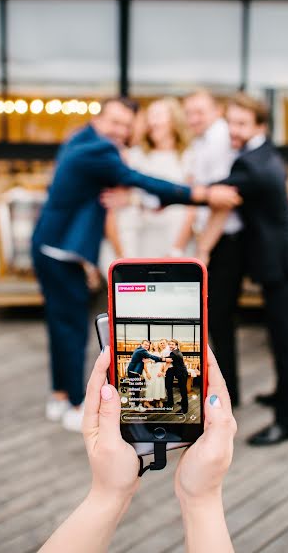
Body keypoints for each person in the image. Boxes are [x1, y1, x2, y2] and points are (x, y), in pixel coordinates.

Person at [32, 97, 235, 432]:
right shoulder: (100, 149)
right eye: (115, 121)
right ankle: (71, 402)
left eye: (127, 124)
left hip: (54, 243)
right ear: (99, 117)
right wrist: (201, 195)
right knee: (70, 327)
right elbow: (143, 181)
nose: (121, 130)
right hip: (61, 247)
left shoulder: (80, 139)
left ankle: (59, 396)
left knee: (61, 324)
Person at [39, 345, 236, 553]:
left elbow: (162, 360)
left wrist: (108, 493)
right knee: (146, 390)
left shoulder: (161, 353)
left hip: (152, 373)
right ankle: (150, 405)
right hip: (141, 373)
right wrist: (202, 497)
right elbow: (153, 358)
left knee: (152, 390)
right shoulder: (143, 352)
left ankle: (153, 405)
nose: (155, 347)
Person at [206, 92, 288, 445]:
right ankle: (282, 394)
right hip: (279, 260)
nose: (234, 130)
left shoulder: (249, 163)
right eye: (230, 122)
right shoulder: (263, 153)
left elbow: (212, 193)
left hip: (283, 264)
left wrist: (167, 192)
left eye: (242, 124)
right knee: (280, 338)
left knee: (285, 343)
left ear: (260, 126)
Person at [172, 89, 246, 408]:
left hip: (224, 243)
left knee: (219, 319)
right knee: (215, 319)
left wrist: (203, 248)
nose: (192, 119)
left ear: (216, 110)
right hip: (215, 241)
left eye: (199, 111)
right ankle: (223, 391)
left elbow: (222, 201)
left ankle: (226, 395)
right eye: (188, 113)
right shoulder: (204, 141)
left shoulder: (218, 141)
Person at [106, 96, 192, 260]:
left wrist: (177, 248)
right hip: (144, 237)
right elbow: (117, 201)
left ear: (174, 120)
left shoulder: (188, 156)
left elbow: (192, 205)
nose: (152, 122)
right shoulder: (135, 156)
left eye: (158, 115)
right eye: (149, 116)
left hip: (175, 236)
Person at [165, 339, 189, 414]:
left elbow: (165, 359)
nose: (170, 346)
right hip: (181, 373)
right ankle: (182, 402)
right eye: (170, 344)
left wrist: (153, 359)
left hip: (182, 373)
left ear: (176, 345)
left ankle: (184, 409)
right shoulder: (177, 351)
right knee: (182, 390)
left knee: (183, 391)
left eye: (172, 344)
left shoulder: (174, 353)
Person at [143, 342, 167, 408]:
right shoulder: (150, 353)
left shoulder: (161, 353)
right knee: (151, 387)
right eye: (154, 345)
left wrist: (161, 371)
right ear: (152, 346)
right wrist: (147, 373)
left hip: (159, 372)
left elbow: (162, 364)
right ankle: (146, 402)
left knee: (159, 386)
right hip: (153, 372)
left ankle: (158, 401)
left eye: (156, 345)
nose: (155, 346)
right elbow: (145, 363)